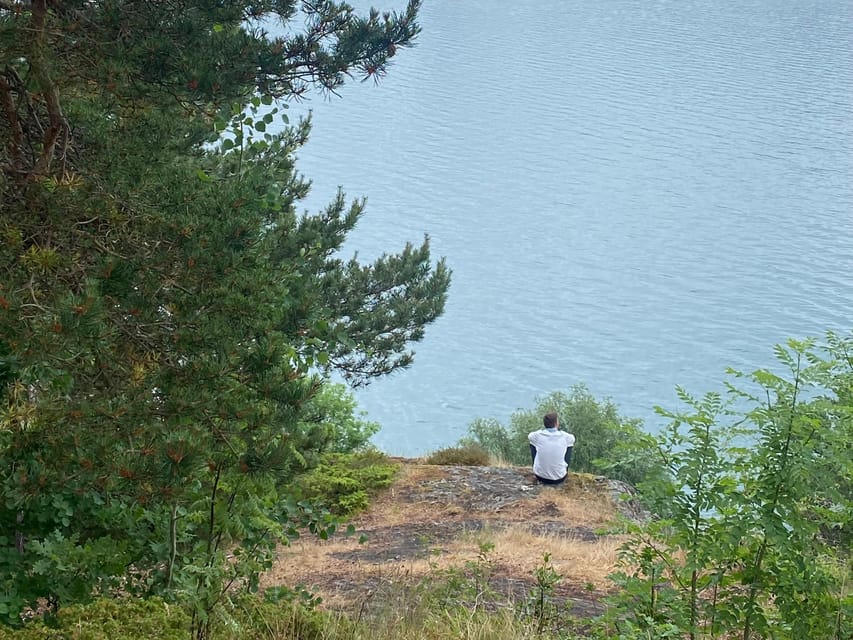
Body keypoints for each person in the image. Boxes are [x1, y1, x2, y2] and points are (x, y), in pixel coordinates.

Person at [528, 411, 575, 485]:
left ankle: (540, 467)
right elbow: (572, 438)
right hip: (560, 477)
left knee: (533, 443)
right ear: (556, 423)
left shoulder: (537, 436)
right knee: (569, 445)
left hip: (540, 476)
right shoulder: (566, 437)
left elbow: (530, 436)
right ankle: (563, 469)